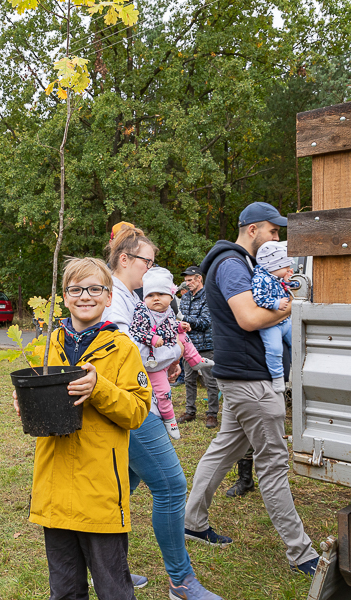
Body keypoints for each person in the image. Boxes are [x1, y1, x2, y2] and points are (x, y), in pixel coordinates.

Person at [182, 202, 319, 575]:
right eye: (274, 232)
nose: (277, 239)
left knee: (224, 449)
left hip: (240, 377)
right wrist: (290, 309)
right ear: (255, 229)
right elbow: (248, 317)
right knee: (273, 464)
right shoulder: (231, 264)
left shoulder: (238, 264)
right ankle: (301, 553)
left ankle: (191, 523)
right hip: (252, 381)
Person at [13, 257, 151, 600]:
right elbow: (36, 400)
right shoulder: (46, 348)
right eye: (76, 289)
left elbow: (136, 411)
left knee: (114, 589)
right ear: (64, 296)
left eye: (94, 289)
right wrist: (23, 402)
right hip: (54, 488)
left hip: (99, 491)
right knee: (64, 589)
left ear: (108, 297)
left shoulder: (121, 349)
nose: (85, 296)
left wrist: (98, 388)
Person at [103, 223, 223, 600]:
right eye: (147, 261)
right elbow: (124, 353)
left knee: (124, 485)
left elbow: (147, 349)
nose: (150, 269)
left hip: (138, 398)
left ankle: (110, 571)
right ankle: (180, 582)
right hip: (132, 407)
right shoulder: (113, 296)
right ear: (125, 259)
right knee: (171, 487)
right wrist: (166, 358)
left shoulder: (128, 294)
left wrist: (166, 360)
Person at [129, 266, 212, 440]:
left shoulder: (167, 312)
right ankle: (170, 419)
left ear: (171, 297)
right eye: (150, 295)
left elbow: (169, 327)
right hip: (151, 359)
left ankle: (195, 360)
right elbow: (135, 331)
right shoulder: (142, 311)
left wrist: (178, 325)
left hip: (165, 351)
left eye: (161, 294)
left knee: (183, 334)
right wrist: (151, 338)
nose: (156, 299)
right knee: (164, 393)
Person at [177, 266, 221, 429]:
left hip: (206, 344)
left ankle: (212, 414)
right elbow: (180, 319)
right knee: (189, 379)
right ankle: (190, 411)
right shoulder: (186, 297)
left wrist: (185, 320)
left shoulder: (208, 296)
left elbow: (205, 322)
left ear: (199, 279)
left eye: (190, 280)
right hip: (189, 345)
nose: (187, 283)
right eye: (186, 280)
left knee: (210, 380)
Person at [252, 241, 298, 394]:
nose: (288, 269)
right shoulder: (260, 279)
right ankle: (277, 377)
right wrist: (275, 303)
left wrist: (288, 282)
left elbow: (290, 289)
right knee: (274, 349)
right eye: (286, 267)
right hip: (271, 325)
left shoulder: (278, 279)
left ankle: (296, 369)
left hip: (285, 321)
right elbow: (258, 298)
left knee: (297, 342)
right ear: (274, 265)